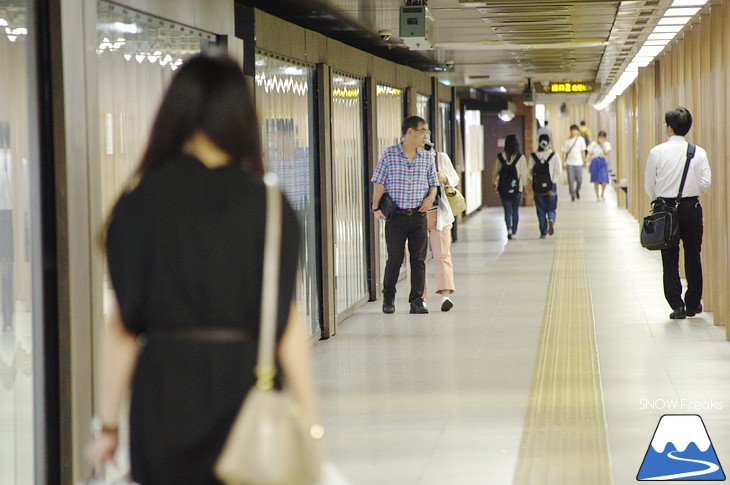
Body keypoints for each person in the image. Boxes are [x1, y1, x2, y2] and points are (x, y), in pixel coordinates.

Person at [86, 54, 319, 484]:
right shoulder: (268, 205)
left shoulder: (139, 203)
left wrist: (108, 425)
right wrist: (309, 421)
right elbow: (285, 320)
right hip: (248, 389)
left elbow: (121, 326)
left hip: (162, 394)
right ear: (241, 117)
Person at [645, 107, 711, 320]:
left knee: (669, 257)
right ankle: (693, 304)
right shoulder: (698, 152)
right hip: (691, 208)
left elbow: (649, 184)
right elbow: (706, 183)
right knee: (693, 255)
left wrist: (661, 199)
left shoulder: (657, 152)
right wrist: (691, 193)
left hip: (665, 208)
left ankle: (677, 305)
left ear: (670, 128)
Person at [371, 116, 439, 314]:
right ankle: (389, 296)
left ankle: (416, 300)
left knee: (418, 260)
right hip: (396, 218)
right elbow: (379, 183)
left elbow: (433, 184)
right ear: (410, 132)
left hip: (418, 216)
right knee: (395, 258)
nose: (426, 135)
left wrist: (430, 198)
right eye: (422, 131)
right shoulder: (389, 154)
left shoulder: (427, 156)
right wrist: (376, 207)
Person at [424, 136, 459, 311]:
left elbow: (454, 177)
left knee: (442, 255)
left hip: (439, 214)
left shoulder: (440, 157)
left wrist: (443, 177)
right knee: (416, 259)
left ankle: (445, 295)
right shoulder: (407, 161)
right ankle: (419, 297)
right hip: (416, 216)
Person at [492, 134, 529, 240]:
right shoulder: (520, 157)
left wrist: (494, 184)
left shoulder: (500, 157)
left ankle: (508, 229)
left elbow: (495, 172)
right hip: (518, 189)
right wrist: (525, 188)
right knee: (515, 210)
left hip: (503, 188)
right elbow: (524, 174)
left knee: (507, 210)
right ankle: (514, 231)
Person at [528, 134, 562, 239]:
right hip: (551, 186)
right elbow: (558, 171)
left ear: (539, 142)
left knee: (540, 209)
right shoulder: (554, 155)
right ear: (548, 143)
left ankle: (543, 232)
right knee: (551, 208)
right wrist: (553, 180)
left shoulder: (533, 156)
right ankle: (551, 219)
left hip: (538, 188)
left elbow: (530, 172)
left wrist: (535, 181)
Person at [561, 124, 587, 201]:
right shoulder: (567, 141)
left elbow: (582, 151)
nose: (573, 132)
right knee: (570, 180)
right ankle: (572, 194)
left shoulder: (580, 140)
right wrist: (563, 162)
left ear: (577, 131)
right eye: (572, 130)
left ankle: (577, 191)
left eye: (575, 130)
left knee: (579, 180)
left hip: (578, 162)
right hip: (569, 163)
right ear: (570, 131)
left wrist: (584, 160)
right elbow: (564, 152)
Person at [586, 131, 611, 201]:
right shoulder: (593, 144)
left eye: (603, 138)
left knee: (604, 179)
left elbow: (606, 153)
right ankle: (597, 196)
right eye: (600, 138)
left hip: (602, 162)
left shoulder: (606, 144)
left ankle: (602, 193)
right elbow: (589, 153)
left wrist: (603, 146)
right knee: (596, 180)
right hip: (594, 162)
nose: (601, 139)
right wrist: (586, 161)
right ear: (598, 137)